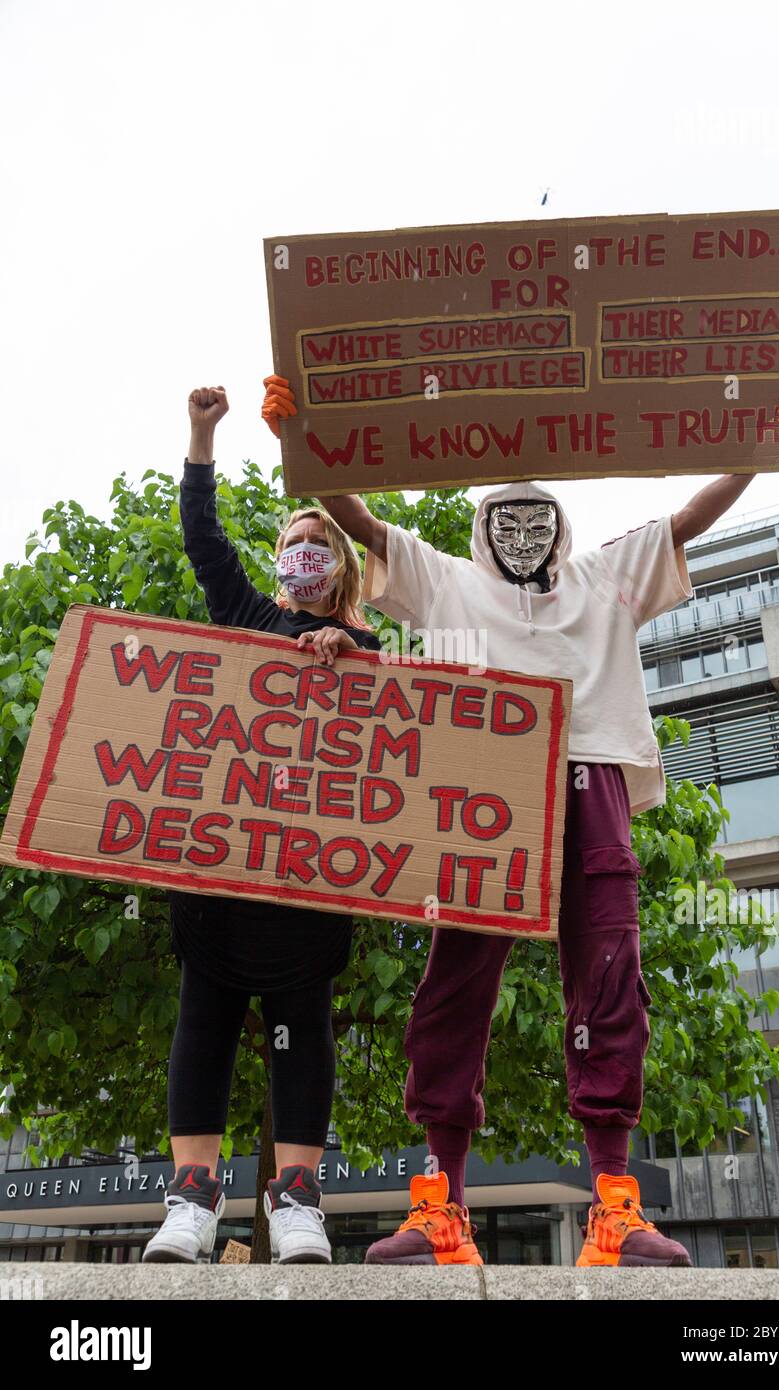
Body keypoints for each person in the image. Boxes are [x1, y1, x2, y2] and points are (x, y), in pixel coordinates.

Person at [262, 373, 779, 1267]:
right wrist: (304, 441)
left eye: (536, 524)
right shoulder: (445, 584)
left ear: (559, 530)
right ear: (483, 533)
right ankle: (440, 1207)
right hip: (483, 792)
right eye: (505, 526)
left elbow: (685, 521)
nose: (522, 539)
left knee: (608, 979)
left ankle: (614, 1205)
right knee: (454, 986)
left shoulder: (603, 577)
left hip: (590, 780)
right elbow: (359, 524)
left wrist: (760, 448)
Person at [142, 385, 381, 1266]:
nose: (306, 551)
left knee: (302, 1025)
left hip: (312, 889)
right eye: (293, 542)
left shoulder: (373, 655)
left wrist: (358, 661)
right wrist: (202, 435)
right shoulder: (246, 618)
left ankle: (298, 1205)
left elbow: (419, 735)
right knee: (202, 1017)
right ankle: (191, 1202)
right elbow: (204, 540)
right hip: (220, 879)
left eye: (321, 543)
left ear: (343, 567)